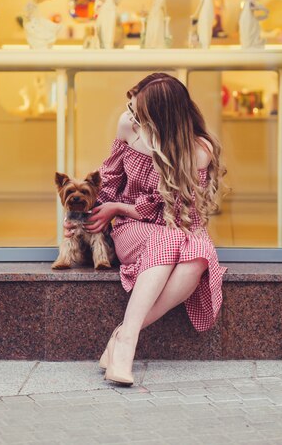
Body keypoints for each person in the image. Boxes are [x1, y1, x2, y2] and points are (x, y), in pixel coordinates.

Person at [63, 73, 228, 386]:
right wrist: (86, 215)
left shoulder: (197, 150)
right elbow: (110, 180)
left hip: (180, 223)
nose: (133, 119)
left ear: (164, 119)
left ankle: (124, 335)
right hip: (132, 227)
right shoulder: (127, 125)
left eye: (142, 115)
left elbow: (179, 210)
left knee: (195, 256)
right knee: (174, 242)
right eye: (133, 109)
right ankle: (125, 348)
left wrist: (120, 204)